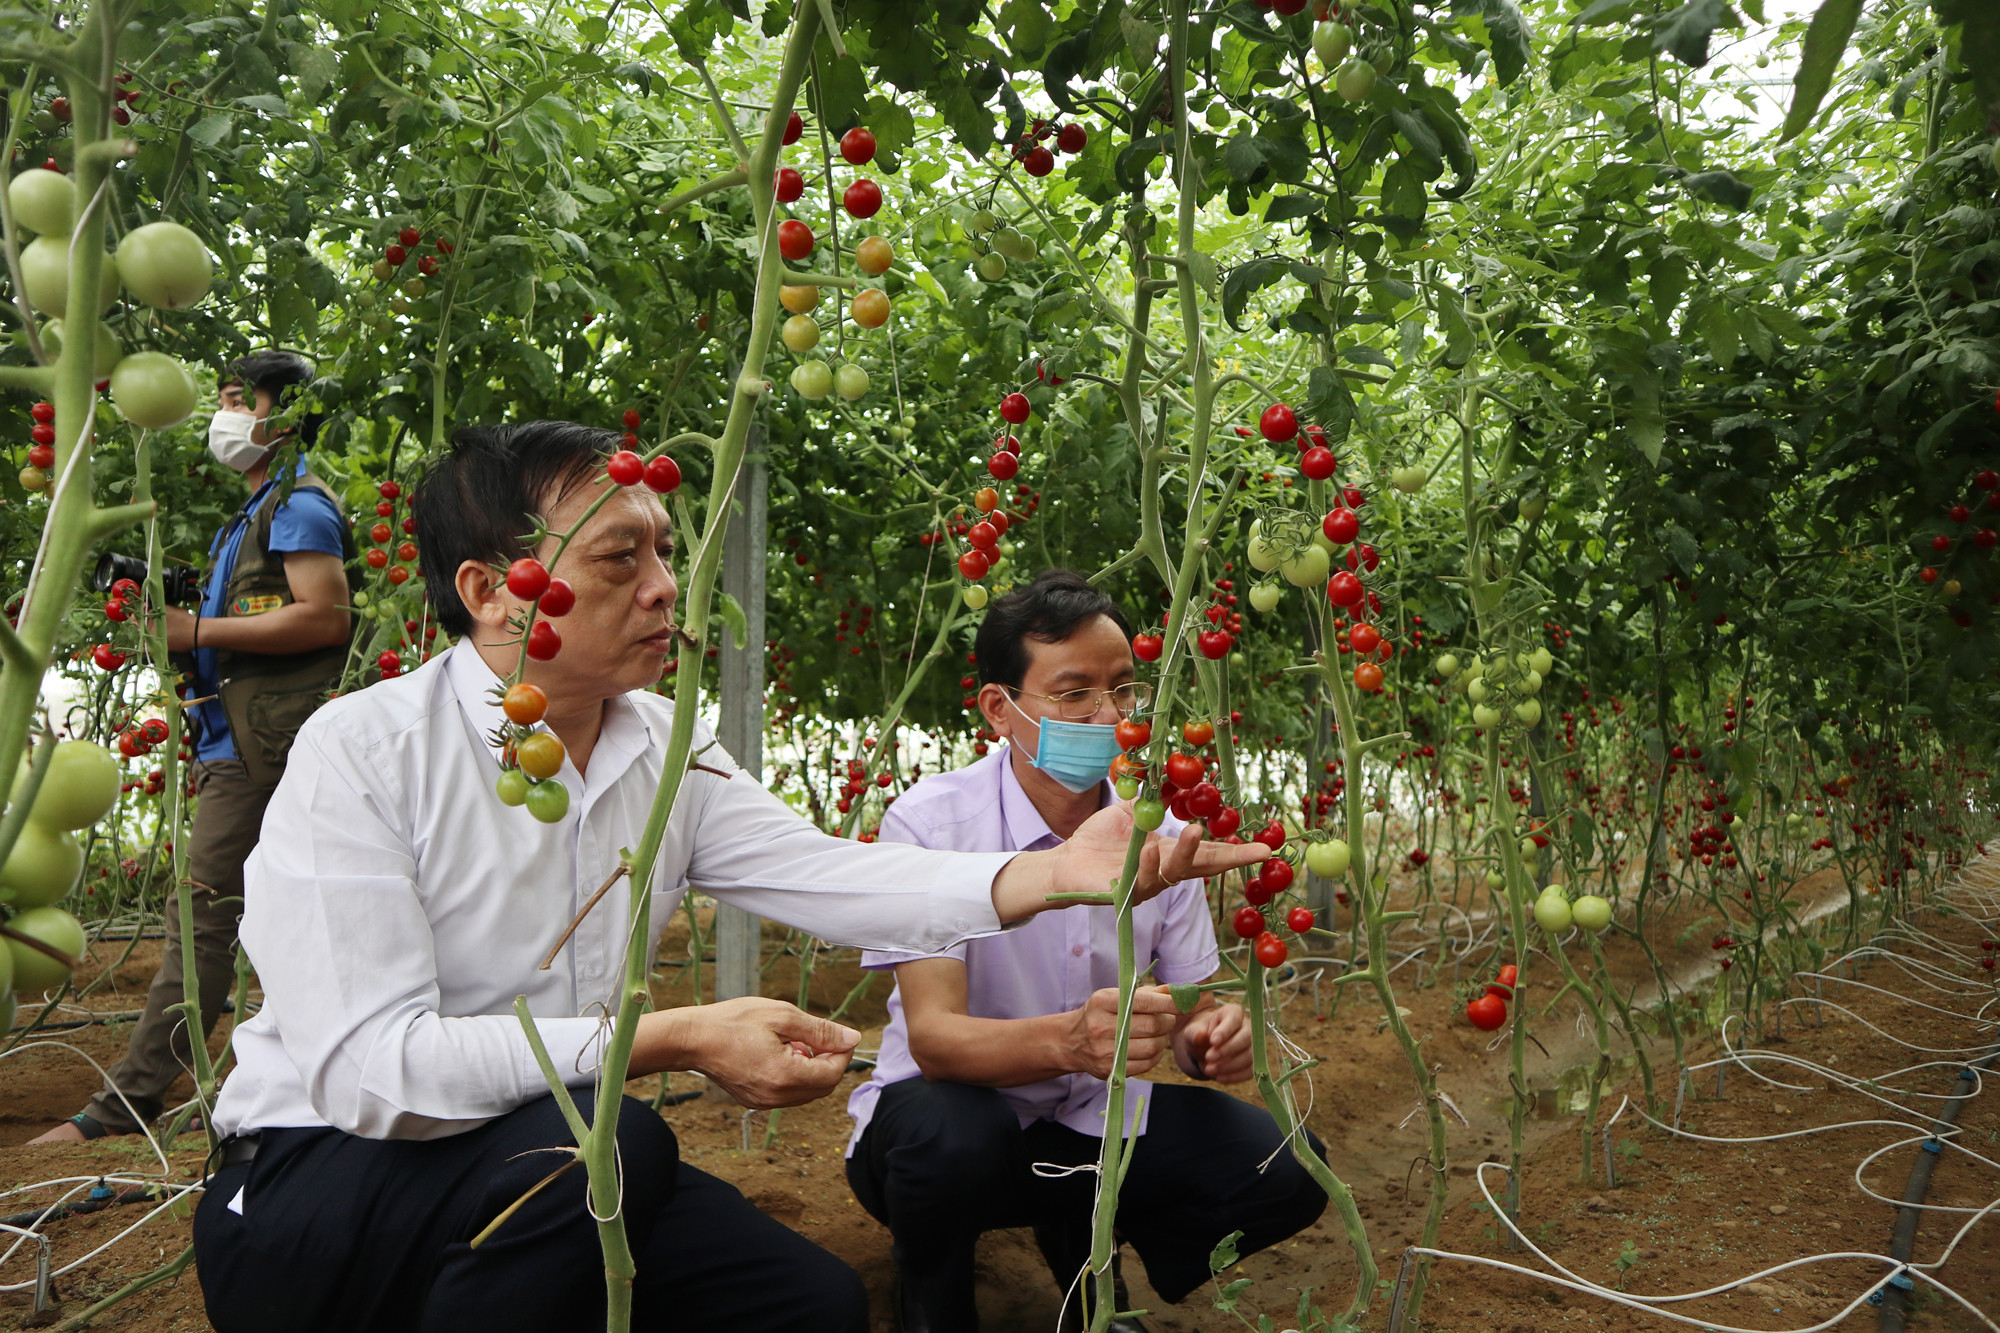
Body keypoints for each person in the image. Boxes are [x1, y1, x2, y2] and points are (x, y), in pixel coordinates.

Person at [186, 421, 1265, 1333]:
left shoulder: (662, 743)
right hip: (314, 1183)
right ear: (493, 591)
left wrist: (1046, 877)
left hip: (552, 1163)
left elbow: (827, 875)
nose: (666, 588)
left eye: (665, 549)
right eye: (621, 559)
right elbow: (372, 1072)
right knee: (616, 1142)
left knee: (808, 1305)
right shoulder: (366, 748)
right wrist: (668, 1037)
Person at [844, 570, 1328, 1333]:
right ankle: (932, 1296)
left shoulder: (1162, 837)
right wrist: (1069, 1041)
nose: (1109, 716)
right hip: (945, 1125)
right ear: (1001, 709)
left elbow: (1192, 1002)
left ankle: (1090, 1269)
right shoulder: (931, 823)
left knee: (1288, 1166)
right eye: (1074, 695)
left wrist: (1209, 1036)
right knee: (952, 1138)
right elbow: (934, 1040)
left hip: (1083, 1123)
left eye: (1124, 691)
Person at [33, 349, 352, 1145]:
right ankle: (296, 1075)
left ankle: (127, 1104)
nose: (227, 412)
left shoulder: (298, 507)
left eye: (243, 397)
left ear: (284, 416)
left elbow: (326, 617)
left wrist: (199, 629)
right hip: (231, 738)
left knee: (201, 915)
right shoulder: (248, 518)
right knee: (263, 911)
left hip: (257, 746)